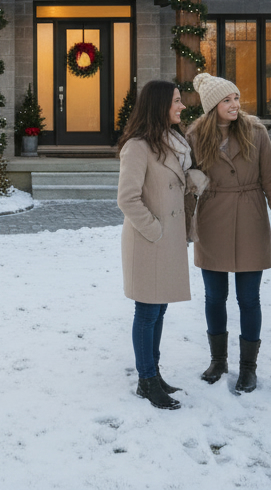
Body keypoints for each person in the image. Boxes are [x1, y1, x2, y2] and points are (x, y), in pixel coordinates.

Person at [187, 72, 271, 394]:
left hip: (250, 217)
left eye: (236, 99)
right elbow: (187, 184)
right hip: (212, 218)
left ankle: (248, 368)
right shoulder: (195, 135)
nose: (234, 105)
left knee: (248, 298)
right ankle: (218, 360)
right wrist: (185, 225)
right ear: (213, 105)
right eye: (227, 100)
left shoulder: (255, 132)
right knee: (215, 296)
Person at [116, 79, 207, 410]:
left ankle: (153, 372)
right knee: (147, 309)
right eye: (176, 101)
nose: (182, 106)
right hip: (149, 240)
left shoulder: (173, 142)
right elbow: (127, 198)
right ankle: (146, 380)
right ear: (158, 106)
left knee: (159, 307)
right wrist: (155, 230)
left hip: (168, 239)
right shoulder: (137, 147)